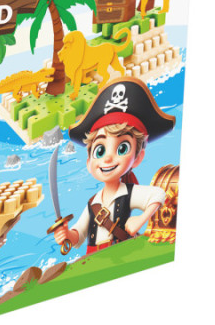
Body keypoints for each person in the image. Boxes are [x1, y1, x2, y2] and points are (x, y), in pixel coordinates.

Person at [53, 79, 176, 254]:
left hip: (120, 253)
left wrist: (140, 219)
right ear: (89, 163)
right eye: (100, 150)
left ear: (137, 158)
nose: (108, 158)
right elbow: (78, 236)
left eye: (122, 148)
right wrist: (66, 234)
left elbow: (158, 194)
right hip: (93, 256)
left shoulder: (128, 193)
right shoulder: (93, 203)